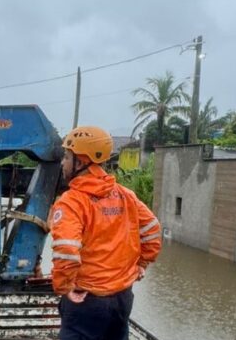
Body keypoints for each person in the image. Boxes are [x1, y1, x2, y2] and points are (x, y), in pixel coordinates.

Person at [50, 126, 162, 340]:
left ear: (81, 162)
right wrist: (142, 264)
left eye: (66, 157)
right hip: (122, 298)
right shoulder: (125, 195)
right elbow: (152, 230)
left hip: (86, 300)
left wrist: (65, 286)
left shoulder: (72, 202)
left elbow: (66, 251)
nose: (63, 163)